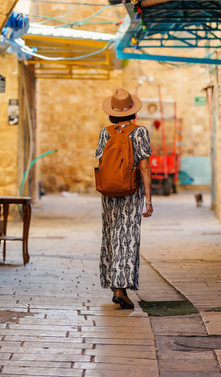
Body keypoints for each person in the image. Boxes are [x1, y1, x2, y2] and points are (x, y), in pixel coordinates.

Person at [95, 87, 153, 309]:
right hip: (130, 194)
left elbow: (102, 163)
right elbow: (145, 167)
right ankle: (121, 289)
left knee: (111, 237)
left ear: (112, 113)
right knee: (127, 239)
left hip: (109, 195)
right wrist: (148, 199)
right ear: (133, 113)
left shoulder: (105, 132)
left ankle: (115, 285)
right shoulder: (139, 132)